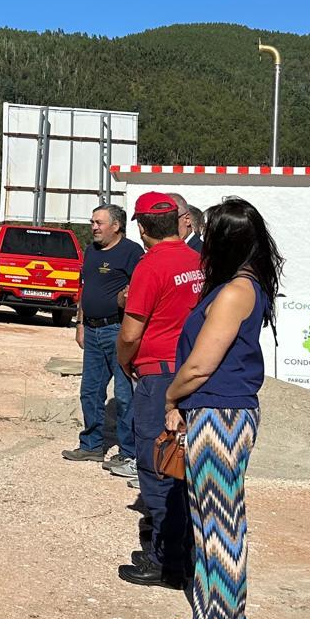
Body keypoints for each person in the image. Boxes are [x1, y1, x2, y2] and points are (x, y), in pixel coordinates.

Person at [166, 197, 280, 619]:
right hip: (223, 413)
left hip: (219, 414)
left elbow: (200, 366)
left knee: (220, 526)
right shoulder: (245, 285)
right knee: (209, 519)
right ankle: (214, 616)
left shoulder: (235, 291)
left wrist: (171, 398)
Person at [115, 192, 204, 589]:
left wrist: (124, 361)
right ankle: (181, 549)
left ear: (142, 227)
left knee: (158, 464)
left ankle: (164, 561)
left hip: (158, 376)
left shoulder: (150, 266)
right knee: (183, 465)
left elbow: (132, 332)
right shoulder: (197, 261)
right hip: (193, 374)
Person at [64, 204, 142, 473]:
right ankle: (92, 445)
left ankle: (127, 451)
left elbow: (138, 292)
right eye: (92, 222)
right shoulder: (91, 251)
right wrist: (81, 324)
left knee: (123, 395)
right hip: (93, 330)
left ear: (116, 226)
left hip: (117, 330)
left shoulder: (132, 252)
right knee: (90, 391)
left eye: (99, 223)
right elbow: (85, 288)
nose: (94, 227)